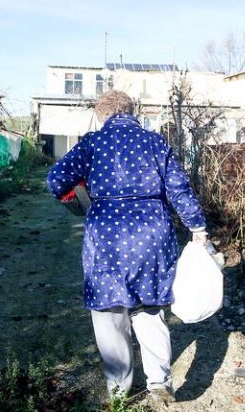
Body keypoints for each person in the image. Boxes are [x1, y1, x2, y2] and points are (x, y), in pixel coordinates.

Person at [46, 90, 207, 406]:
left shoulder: (92, 143)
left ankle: (119, 391)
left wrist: (78, 192)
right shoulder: (155, 142)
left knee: (109, 316)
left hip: (107, 237)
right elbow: (179, 190)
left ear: (101, 115)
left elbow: (55, 181)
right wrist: (198, 227)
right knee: (150, 311)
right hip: (152, 235)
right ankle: (159, 381)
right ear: (133, 112)